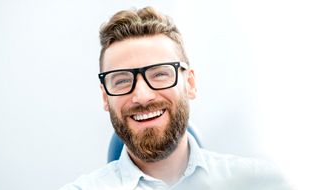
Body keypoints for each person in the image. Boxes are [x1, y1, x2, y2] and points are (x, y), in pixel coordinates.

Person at [60, 6, 292, 190]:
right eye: (121, 80)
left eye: (160, 74)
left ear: (190, 83)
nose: (142, 96)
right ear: (104, 96)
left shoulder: (260, 182)